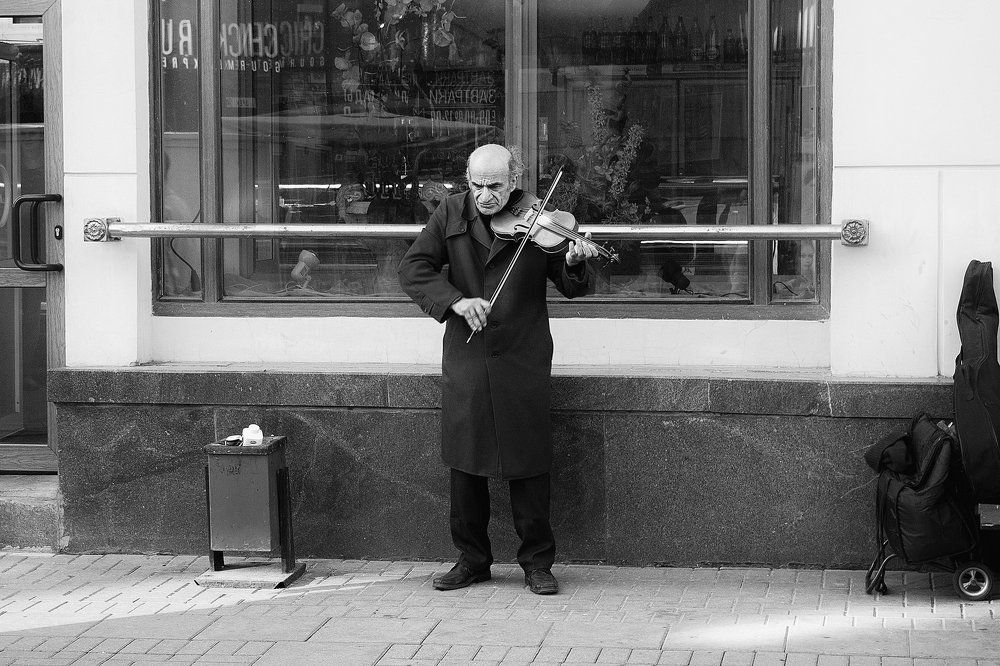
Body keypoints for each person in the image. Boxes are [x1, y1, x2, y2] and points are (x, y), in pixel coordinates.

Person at [397, 144, 597, 595]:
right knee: (465, 462)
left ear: (514, 179)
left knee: (528, 460)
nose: (485, 196)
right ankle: (472, 560)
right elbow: (413, 268)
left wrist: (572, 262)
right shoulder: (449, 212)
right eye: (477, 185)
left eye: (495, 186)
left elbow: (570, 286)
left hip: (522, 352)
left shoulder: (539, 216)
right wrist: (456, 300)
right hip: (468, 351)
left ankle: (537, 563)